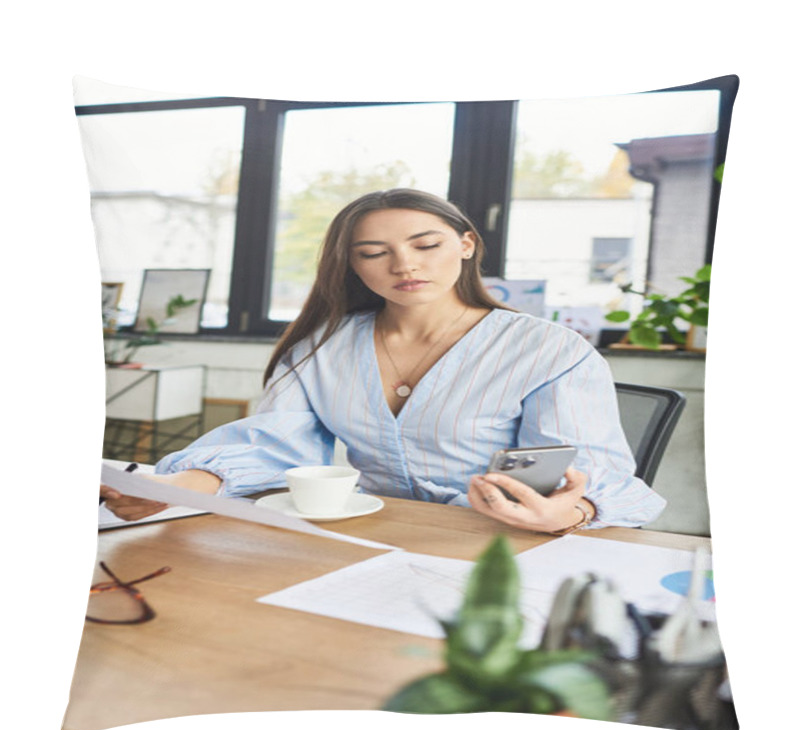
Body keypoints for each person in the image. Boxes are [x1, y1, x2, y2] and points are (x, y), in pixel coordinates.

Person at [101, 188, 665, 533]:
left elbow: (591, 475)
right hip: (379, 533)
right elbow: (274, 444)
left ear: (466, 244)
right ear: (352, 265)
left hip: (504, 541)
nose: (404, 266)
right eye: (374, 253)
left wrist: (569, 512)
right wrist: (176, 490)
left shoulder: (547, 349)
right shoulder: (320, 348)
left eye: (426, 245)